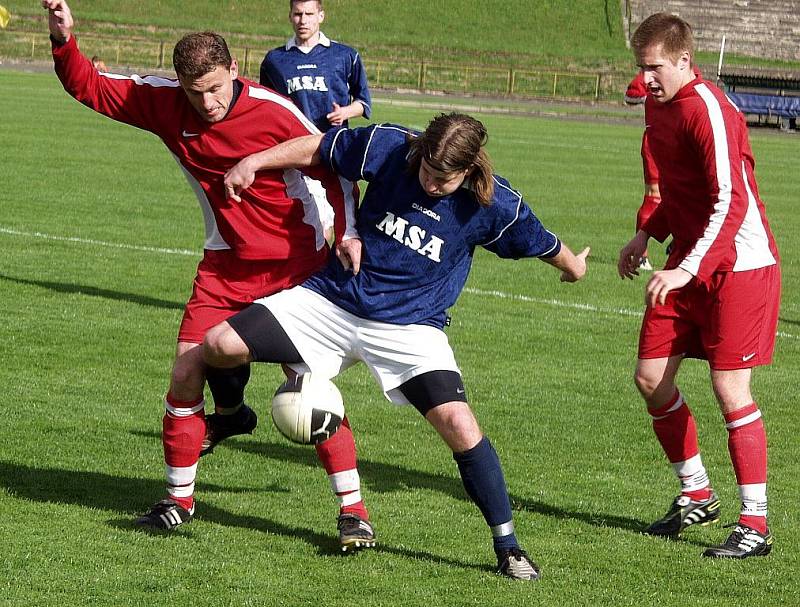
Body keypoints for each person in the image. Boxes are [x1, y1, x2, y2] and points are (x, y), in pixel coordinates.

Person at [43, 0, 376, 551]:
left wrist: (348, 232)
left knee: (308, 390)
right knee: (184, 371)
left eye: (217, 88)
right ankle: (178, 501)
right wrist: (64, 41)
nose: (208, 102)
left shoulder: (274, 112)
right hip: (224, 267)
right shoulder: (167, 104)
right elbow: (92, 88)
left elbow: (334, 169)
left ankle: (353, 513)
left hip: (297, 268)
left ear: (234, 73)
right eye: (195, 91)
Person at [206, 112, 590, 579]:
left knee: (460, 425)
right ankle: (232, 416)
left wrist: (575, 268)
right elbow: (318, 147)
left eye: (443, 180)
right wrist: (255, 161)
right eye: (426, 172)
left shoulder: (492, 204)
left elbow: (545, 244)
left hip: (411, 330)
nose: (430, 184)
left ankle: (508, 545)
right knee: (220, 344)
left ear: (468, 171)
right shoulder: (390, 146)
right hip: (334, 300)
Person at [618, 13, 781, 559]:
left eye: (655, 68)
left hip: (739, 265)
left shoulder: (708, 109)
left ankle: (755, 523)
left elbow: (729, 202)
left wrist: (686, 269)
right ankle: (696, 492)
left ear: (685, 60)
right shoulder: (654, 100)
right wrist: (646, 234)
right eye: (641, 70)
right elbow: (679, 191)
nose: (647, 79)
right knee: (650, 377)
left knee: (731, 391)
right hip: (687, 259)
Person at [260, 0, 371, 133]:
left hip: (332, 143)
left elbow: (364, 102)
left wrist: (344, 112)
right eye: (298, 14)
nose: (303, 20)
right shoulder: (274, 60)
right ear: (290, 16)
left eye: (309, 14)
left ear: (321, 16)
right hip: (292, 146)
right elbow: (266, 107)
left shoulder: (345, 56)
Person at [624, 71, 659, 271]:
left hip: (680, 140)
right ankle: (641, 254)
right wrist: (653, 93)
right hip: (656, 141)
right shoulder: (651, 70)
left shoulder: (683, 68)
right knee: (653, 197)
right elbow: (631, 95)